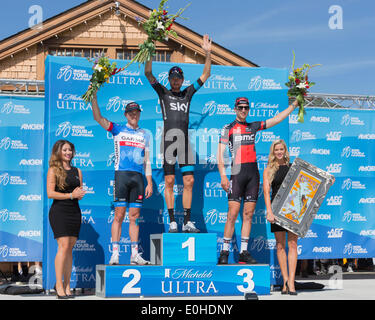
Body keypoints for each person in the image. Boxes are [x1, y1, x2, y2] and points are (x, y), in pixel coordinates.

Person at [217, 97, 299, 265]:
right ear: (235, 109)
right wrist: (223, 175)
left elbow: (277, 119)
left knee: (248, 215)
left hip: (252, 174)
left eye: (246, 108)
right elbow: (220, 153)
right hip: (237, 173)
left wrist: (294, 105)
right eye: (240, 107)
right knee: (232, 214)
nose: (243, 110)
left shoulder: (252, 126)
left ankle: (244, 252)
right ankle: (224, 251)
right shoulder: (228, 128)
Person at [144, 34, 212, 233]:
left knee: (189, 180)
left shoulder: (187, 93)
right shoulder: (163, 92)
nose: (175, 81)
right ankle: (173, 220)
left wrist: (207, 53)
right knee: (170, 181)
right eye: (173, 78)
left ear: (182, 80)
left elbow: (206, 74)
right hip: (168, 142)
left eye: (178, 78)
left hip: (184, 143)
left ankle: (187, 221)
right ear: (169, 80)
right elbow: (148, 73)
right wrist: (149, 49)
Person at [91, 92, 153, 265]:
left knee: (135, 216)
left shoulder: (144, 134)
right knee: (119, 215)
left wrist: (149, 181)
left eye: (136, 112)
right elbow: (98, 117)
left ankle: (134, 254)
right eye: (131, 112)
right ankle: (115, 253)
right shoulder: (118, 129)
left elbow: (147, 160)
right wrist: (94, 97)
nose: (134, 115)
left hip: (138, 178)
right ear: (126, 115)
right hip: (122, 176)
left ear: (139, 114)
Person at [47, 140, 85, 298]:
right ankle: (59, 285)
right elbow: (50, 193)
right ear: (58, 152)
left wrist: (79, 194)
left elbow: (79, 191)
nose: (68, 152)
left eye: (70, 150)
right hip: (59, 212)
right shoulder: (53, 170)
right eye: (65, 150)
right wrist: (71, 195)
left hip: (74, 212)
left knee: (70, 248)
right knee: (63, 246)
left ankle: (68, 286)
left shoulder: (78, 170)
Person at [263, 139, 298, 295]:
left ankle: (291, 282)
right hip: (276, 211)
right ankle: (284, 281)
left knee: (293, 245)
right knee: (280, 246)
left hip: (293, 211)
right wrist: (269, 211)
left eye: (281, 149)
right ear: (273, 152)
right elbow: (266, 192)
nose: (279, 152)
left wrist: (327, 181)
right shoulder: (269, 169)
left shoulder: (293, 168)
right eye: (276, 149)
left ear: (285, 151)